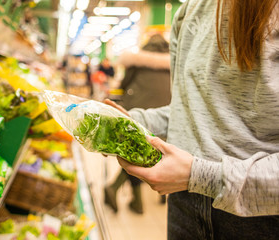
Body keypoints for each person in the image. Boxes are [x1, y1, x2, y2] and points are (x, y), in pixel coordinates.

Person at [104, 0, 279, 239]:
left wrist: (200, 175)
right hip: (183, 203)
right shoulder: (191, 10)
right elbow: (188, 111)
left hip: (258, 216)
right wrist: (133, 121)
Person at [104, 34, 171, 214]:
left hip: (139, 111)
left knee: (132, 153)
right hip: (166, 114)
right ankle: (137, 200)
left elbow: (124, 83)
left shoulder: (138, 60)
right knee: (150, 153)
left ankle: (125, 195)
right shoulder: (173, 63)